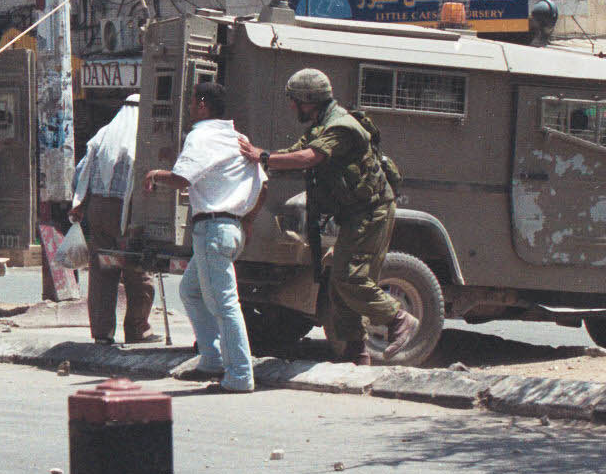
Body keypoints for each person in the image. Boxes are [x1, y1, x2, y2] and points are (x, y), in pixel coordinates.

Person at [238, 68, 417, 366]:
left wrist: (263, 157)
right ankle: (356, 351)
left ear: (310, 99)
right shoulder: (321, 125)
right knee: (338, 282)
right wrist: (258, 159)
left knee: (350, 278)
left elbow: (310, 158)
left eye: (294, 100)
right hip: (354, 213)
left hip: (371, 212)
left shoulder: (341, 126)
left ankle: (398, 319)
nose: (291, 106)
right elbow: (297, 152)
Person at [143, 81, 266, 393]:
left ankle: (239, 374)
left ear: (201, 103)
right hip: (231, 228)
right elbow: (263, 185)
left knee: (225, 304)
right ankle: (212, 360)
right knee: (191, 290)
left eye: (191, 102)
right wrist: (248, 221)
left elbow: (182, 178)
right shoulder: (237, 138)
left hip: (212, 228)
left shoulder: (201, 136)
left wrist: (156, 175)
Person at [71, 94, 156, 345]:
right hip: (126, 212)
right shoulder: (141, 139)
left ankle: (102, 332)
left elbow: (80, 173)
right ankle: (138, 329)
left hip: (97, 209)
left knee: (102, 271)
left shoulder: (103, 135)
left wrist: (80, 204)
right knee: (137, 270)